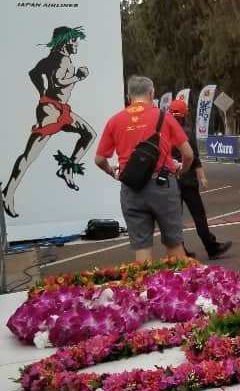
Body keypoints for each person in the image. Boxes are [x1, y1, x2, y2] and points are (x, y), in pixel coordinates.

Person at [95, 75, 193, 263]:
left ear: (128, 96)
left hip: (132, 188)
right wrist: (181, 170)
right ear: (152, 93)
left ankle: (146, 290)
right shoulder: (164, 117)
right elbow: (188, 154)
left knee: (142, 250)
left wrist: (113, 172)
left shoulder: (115, 121)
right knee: (175, 248)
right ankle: (176, 290)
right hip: (163, 184)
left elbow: (100, 159)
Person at [2, 25, 96, 218]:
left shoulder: (51, 58)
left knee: (89, 134)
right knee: (30, 154)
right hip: (51, 112)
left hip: (58, 109)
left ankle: (67, 169)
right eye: (74, 40)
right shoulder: (62, 59)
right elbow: (59, 80)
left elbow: (33, 73)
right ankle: (7, 192)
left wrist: (42, 92)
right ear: (66, 42)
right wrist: (78, 75)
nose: (77, 44)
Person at [168, 98, 232, 260]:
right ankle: (211, 247)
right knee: (199, 215)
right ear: (185, 114)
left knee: (174, 218)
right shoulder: (187, 132)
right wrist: (202, 177)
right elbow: (194, 157)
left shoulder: (164, 131)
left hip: (171, 179)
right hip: (187, 179)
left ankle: (179, 251)